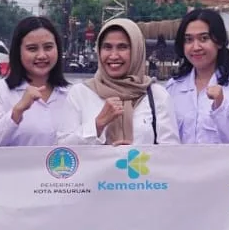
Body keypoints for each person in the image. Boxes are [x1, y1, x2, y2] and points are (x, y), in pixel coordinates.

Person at [71, 17, 179, 147]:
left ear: (136, 50)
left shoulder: (157, 95)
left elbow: (171, 154)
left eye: (122, 47)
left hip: (141, 167)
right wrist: (98, 125)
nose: (114, 55)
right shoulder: (80, 93)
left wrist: (134, 154)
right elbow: (63, 151)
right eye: (107, 47)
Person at [0, 16, 86, 147]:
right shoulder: (0, 92)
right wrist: (17, 111)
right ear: (18, 52)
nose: (42, 55)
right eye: (32, 49)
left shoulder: (74, 94)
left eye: (48, 47)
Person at [164, 8, 229, 145]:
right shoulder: (172, 88)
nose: (196, 47)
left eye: (204, 38)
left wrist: (221, 107)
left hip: (224, 166)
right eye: (189, 40)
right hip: (181, 166)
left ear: (219, 42)